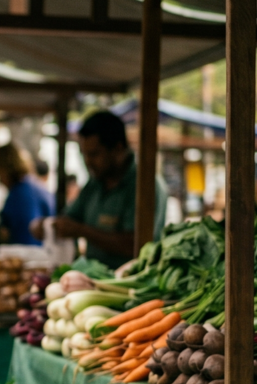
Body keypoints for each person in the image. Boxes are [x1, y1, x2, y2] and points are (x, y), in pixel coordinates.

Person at [33, 110, 166, 268]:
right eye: (85, 155)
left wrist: (83, 231)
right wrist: (47, 226)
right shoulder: (94, 184)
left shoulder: (146, 186)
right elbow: (70, 218)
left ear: (117, 148)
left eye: (95, 154)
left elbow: (136, 244)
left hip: (129, 285)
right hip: (92, 278)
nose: (88, 161)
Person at [0, 143, 54, 246]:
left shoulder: (20, 195)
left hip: (29, 255)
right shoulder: (33, 185)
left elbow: (24, 238)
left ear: (6, 170)